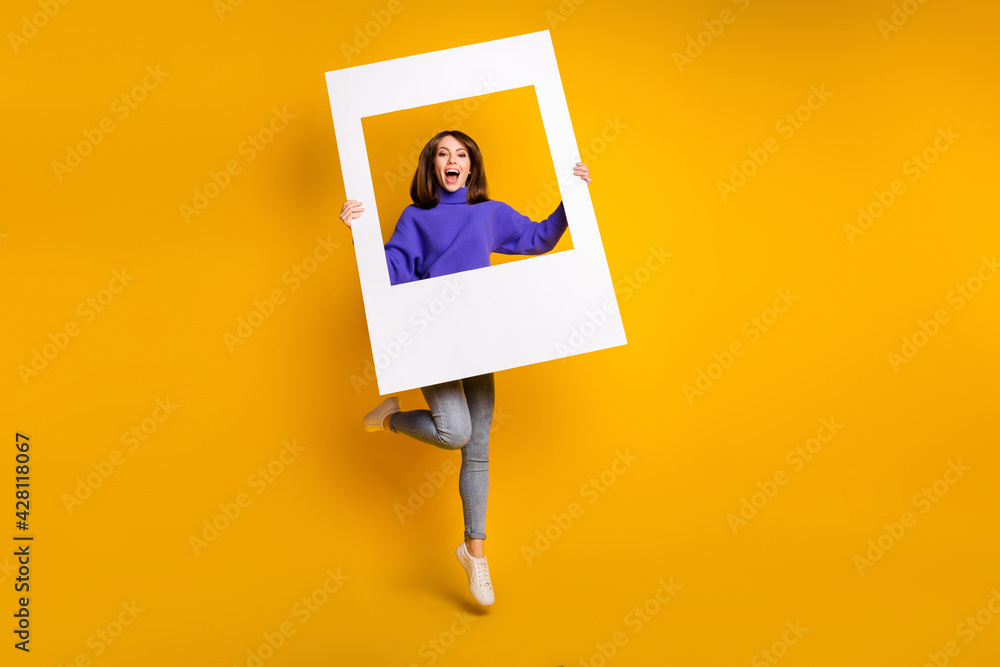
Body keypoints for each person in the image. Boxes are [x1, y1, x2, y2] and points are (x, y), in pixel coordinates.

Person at [339, 130, 591, 606]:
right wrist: (360, 233)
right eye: (442, 154)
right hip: (431, 337)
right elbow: (390, 269)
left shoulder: (489, 214)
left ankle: (475, 554)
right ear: (431, 166)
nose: (451, 161)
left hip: (480, 337)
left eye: (460, 155)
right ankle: (390, 418)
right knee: (454, 431)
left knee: (478, 447)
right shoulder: (415, 218)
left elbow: (538, 238)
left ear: (471, 167)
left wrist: (571, 197)